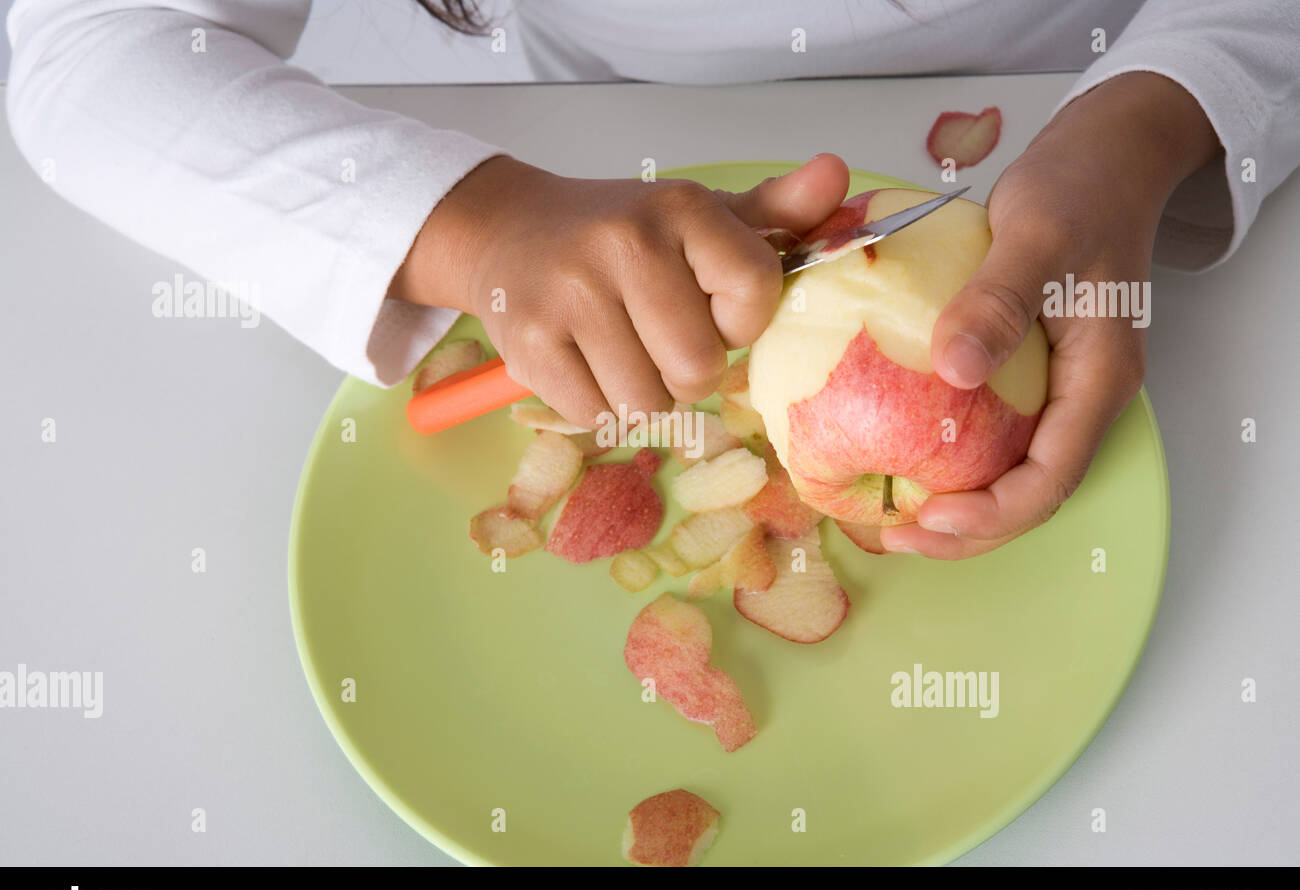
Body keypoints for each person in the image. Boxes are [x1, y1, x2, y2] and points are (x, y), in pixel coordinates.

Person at [7, 1, 1298, 558]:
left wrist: (1148, 122)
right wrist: (471, 221)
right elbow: (88, 53)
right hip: (598, 113)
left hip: (1065, 66)